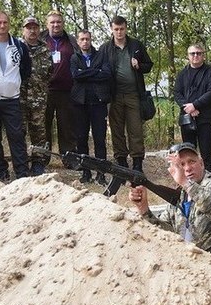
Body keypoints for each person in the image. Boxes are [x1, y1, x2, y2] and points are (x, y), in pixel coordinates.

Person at [129, 142, 211, 265]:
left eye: (192, 162)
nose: (187, 168)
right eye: (181, 164)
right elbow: (166, 233)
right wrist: (143, 208)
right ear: (173, 170)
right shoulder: (180, 196)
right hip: (200, 270)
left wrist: (185, 182)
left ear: (201, 163)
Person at [98, 15, 153, 172]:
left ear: (126, 28)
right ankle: (121, 162)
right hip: (114, 96)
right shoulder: (105, 48)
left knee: (135, 130)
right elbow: (98, 69)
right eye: (116, 29)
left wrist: (139, 65)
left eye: (122, 29)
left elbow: (148, 65)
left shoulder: (135, 45)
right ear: (111, 29)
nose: (119, 32)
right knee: (117, 130)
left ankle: (137, 163)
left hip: (133, 94)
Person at [70, 29, 112, 184]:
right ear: (78, 41)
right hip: (80, 103)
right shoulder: (74, 57)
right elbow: (75, 75)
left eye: (87, 39)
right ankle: (86, 172)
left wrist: (85, 73)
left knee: (99, 139)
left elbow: (107, 74)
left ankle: (101, 174)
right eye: (82, 39)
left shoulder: (101, 55)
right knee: (81, 139)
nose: (85, 42)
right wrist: (95, 71)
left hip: (98, 103)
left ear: (91, 39)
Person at [173, 43, 211, 173]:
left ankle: (209, 177)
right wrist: (188, 108)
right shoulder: (182, 74)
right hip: (187, 118)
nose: (195, 56)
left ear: (203, 56)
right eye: (192, 53)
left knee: (206, 151)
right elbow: (177, 93)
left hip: (205, 117)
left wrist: (195, 105)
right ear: (188, 56)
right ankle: (191, 177)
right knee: (188, 151)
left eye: (198, 53)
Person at [0, 11, 31, 181]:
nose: (2, 26)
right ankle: (0, 172)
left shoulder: (19, 45)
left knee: (17, 137)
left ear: (9, 23)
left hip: (12, 99)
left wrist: (12, 84)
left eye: (4, 22)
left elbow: (26, 70)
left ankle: (22, 173)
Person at [41, 10, 78, 154]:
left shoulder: (72, 41)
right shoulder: (39, 40)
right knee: (43, 127)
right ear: (47, 24)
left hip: (67, 91)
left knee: (67, 127)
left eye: (58, 22)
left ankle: (69, 157)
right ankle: (42, 158)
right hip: (45, 91)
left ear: (63, 23)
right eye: (52, 22)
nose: (55, 25)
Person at [19, 16, 52, 176]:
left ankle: (38, 164)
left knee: (39, 132)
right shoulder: (16, 47)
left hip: (39, 99)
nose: (32, 30)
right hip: (18, 98)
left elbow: (50, 72)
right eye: (28, 27)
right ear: (23, 29)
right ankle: (22, 164)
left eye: (35, 27)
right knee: (19, 131)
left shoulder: (46, 49)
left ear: (39, 29)